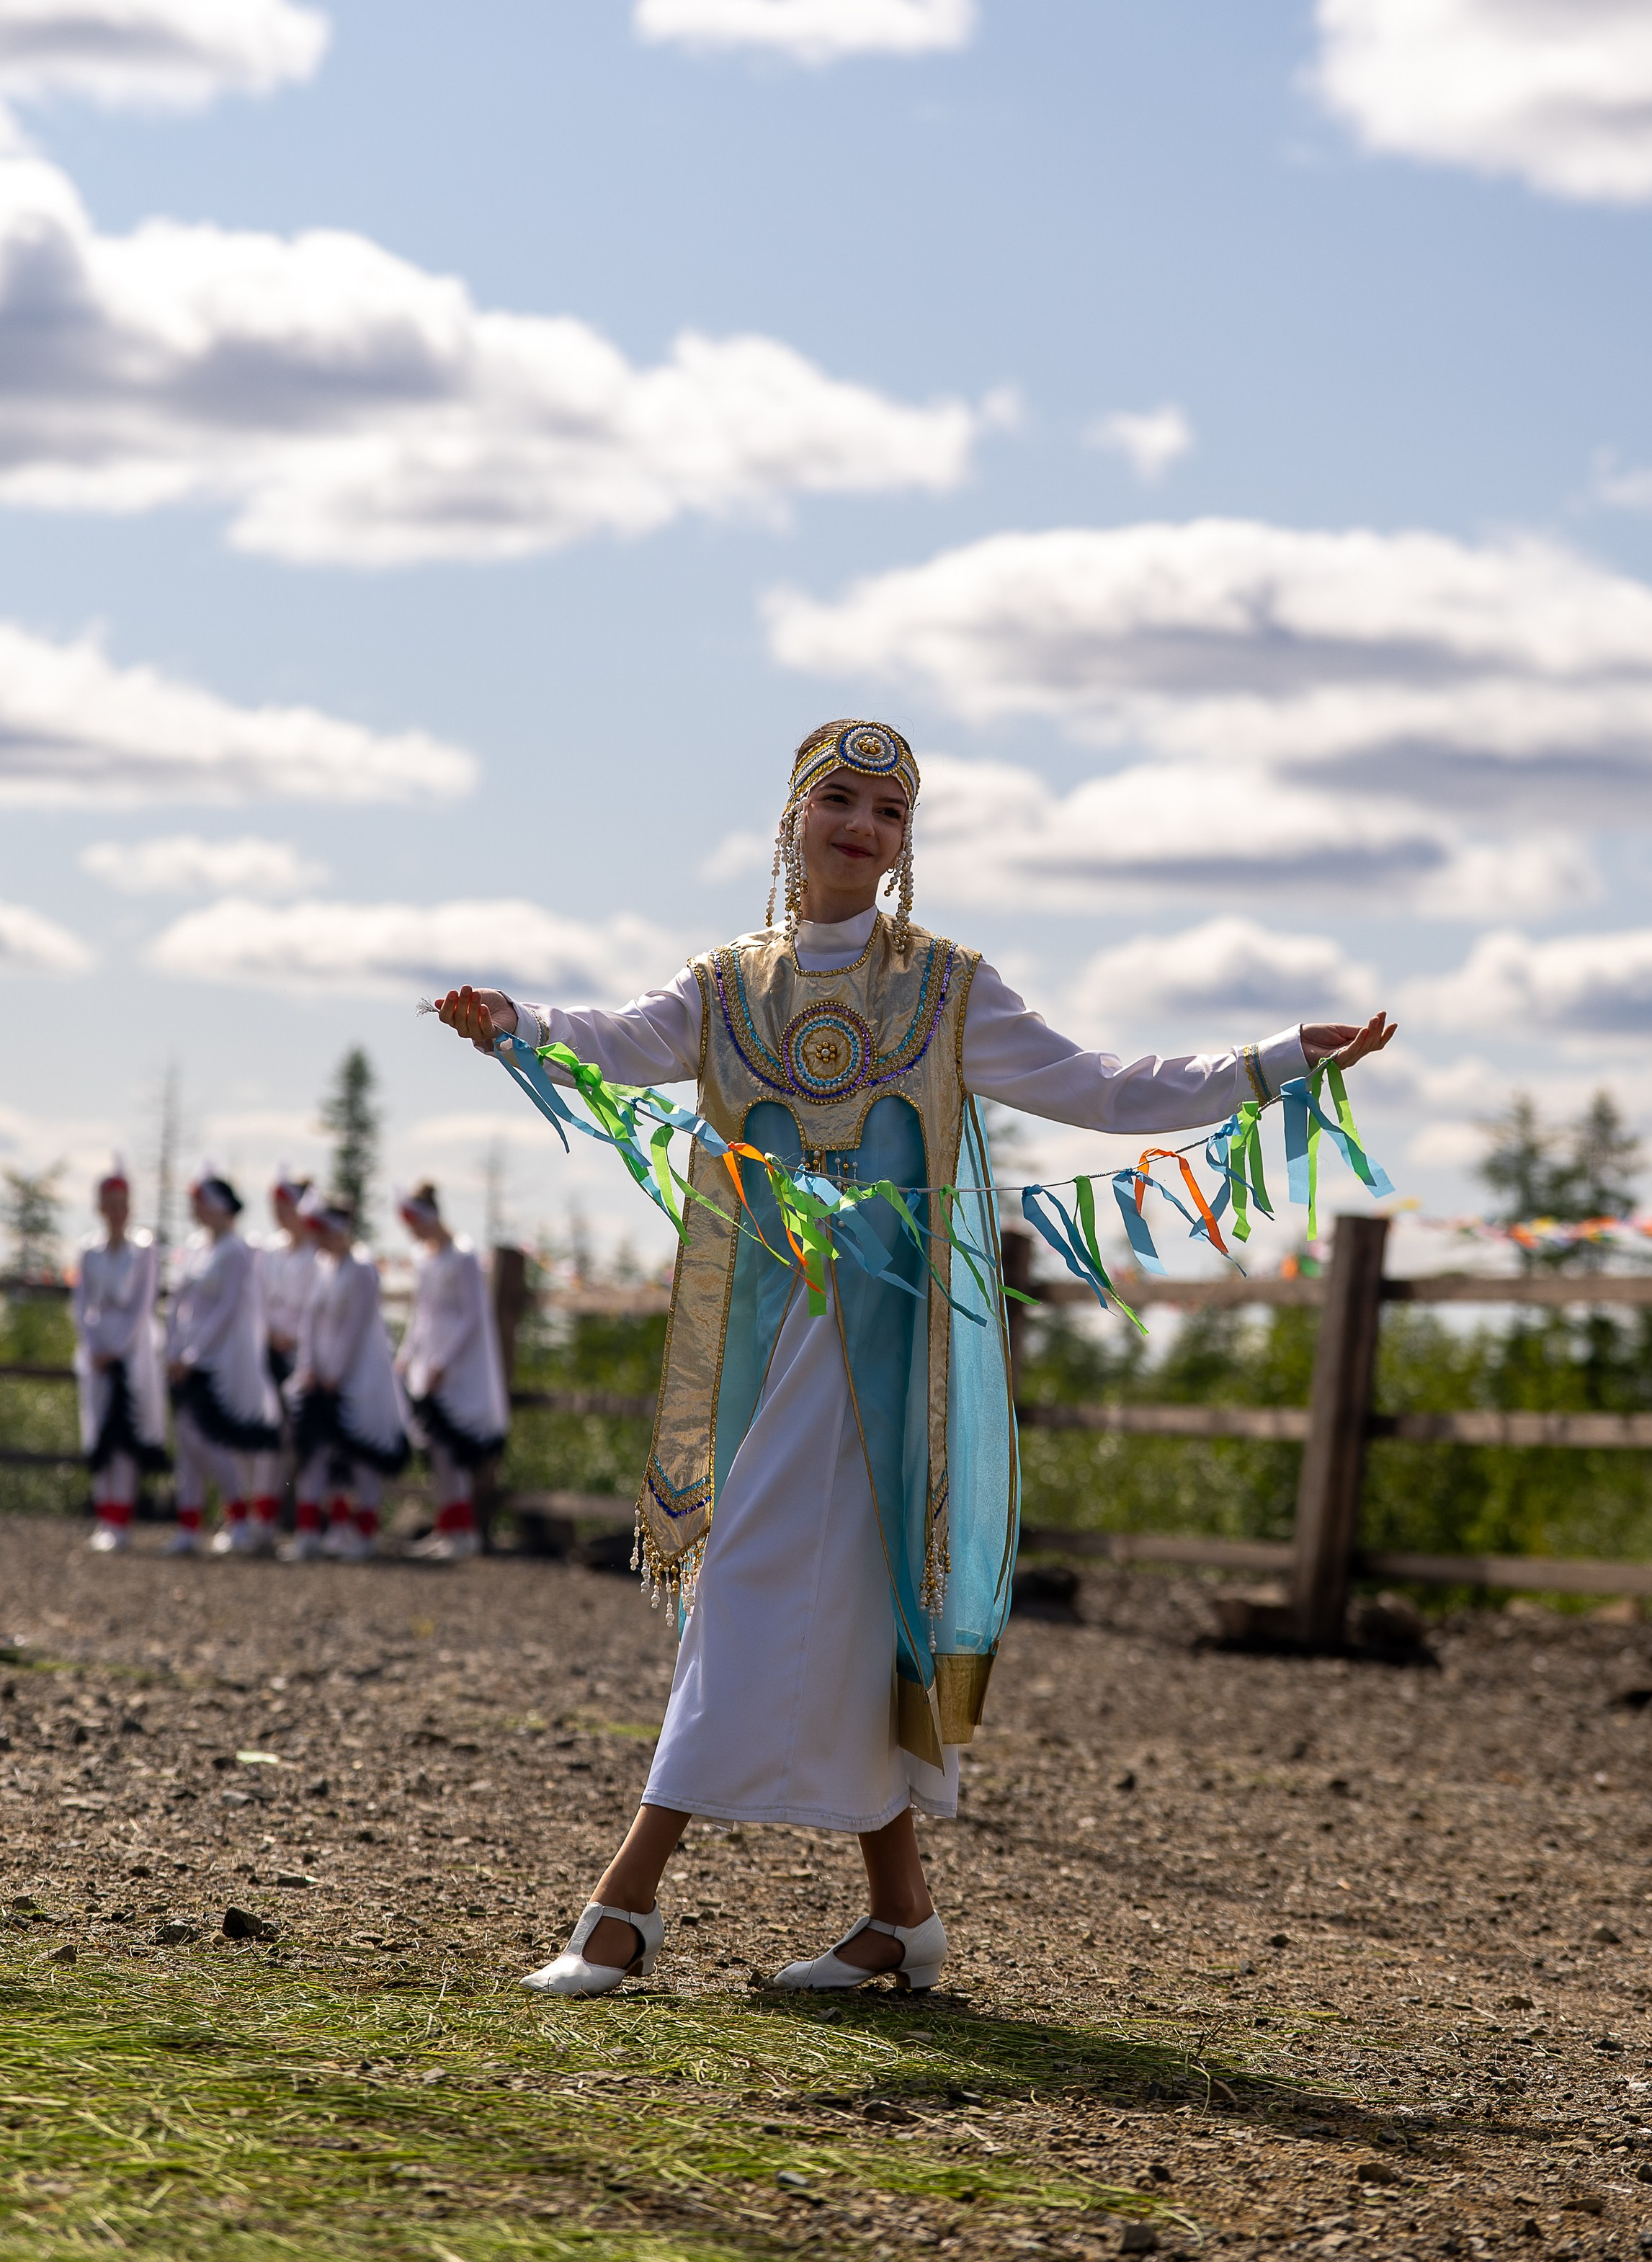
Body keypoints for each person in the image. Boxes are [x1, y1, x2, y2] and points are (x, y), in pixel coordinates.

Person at [437, 718, 1395, 1999]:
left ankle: (624, 1906)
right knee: (832, 1613)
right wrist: (513, 1023)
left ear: (903, 845)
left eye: (888, 813)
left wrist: (1271, 1064)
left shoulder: (944, 988)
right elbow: (614, 1043)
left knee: (746, 1595)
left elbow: (1098, 1085)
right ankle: (899, 1918)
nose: (861, 828)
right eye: (839, 799)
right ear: (790, 817)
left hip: (884, 1365)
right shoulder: (726, 986)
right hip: (764, 1348)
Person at [286, 1193, 409, 1560]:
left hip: (358, 1381)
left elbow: (356, 1327)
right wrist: (308, 1367)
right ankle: (310, 1533)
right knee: (316, 1456)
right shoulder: (321, 1265)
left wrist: (337, 1374)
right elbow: (309, 1322)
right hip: (320, 1379)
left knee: (361, 1457)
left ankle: (364, 1534)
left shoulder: (361, 1268)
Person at [166, 1168, 280, 1555]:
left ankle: (240, 1519)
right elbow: (179, 1304)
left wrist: (194, 1356)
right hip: (186, 1359)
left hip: (216, 1362)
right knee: (187, 1442)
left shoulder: (236, 1251)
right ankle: (189, 1527)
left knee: (215, 1442)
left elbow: (227, 1308)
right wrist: (173, 1351)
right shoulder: (196, 1246)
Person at [395, 1183, 508, 1561]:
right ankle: (447, 1527)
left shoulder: (462, 1256)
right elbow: (421, 1314)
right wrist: (407, 1354)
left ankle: (463, 1533)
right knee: (437, 1452)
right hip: (428, 1367)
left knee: (455, 1451)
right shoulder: (423, 1257)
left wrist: (443, 1361)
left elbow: (473, 1316)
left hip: (456, 1370)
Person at [73, 1159, 168, 1552]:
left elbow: (143, 1304)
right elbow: (81, 1304)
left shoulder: (144, 1250)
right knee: (99, 1428)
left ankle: (123, 1518)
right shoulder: (88, 1251)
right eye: (109, 1202)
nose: (116, 1210)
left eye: (122, 1202)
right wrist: (95, 1347)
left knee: (127, 1430)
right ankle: (105, 1515)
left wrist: (119, 1349)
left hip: (133, 1351)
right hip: (97, 1350)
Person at [246, 1169, 318, 1552]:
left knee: (302, 1444)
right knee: (266, 1439)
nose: (279, 1214)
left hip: (305, 1359)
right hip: (269, 1354)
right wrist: (268, 1335)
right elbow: (257, 1299)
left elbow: (316, 1308)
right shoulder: (269, 1252)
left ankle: (309, 1527)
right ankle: (262, 1521)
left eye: (285, 1206)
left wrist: (297, 1339)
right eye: (275, 1207)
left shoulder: (316, 1254)